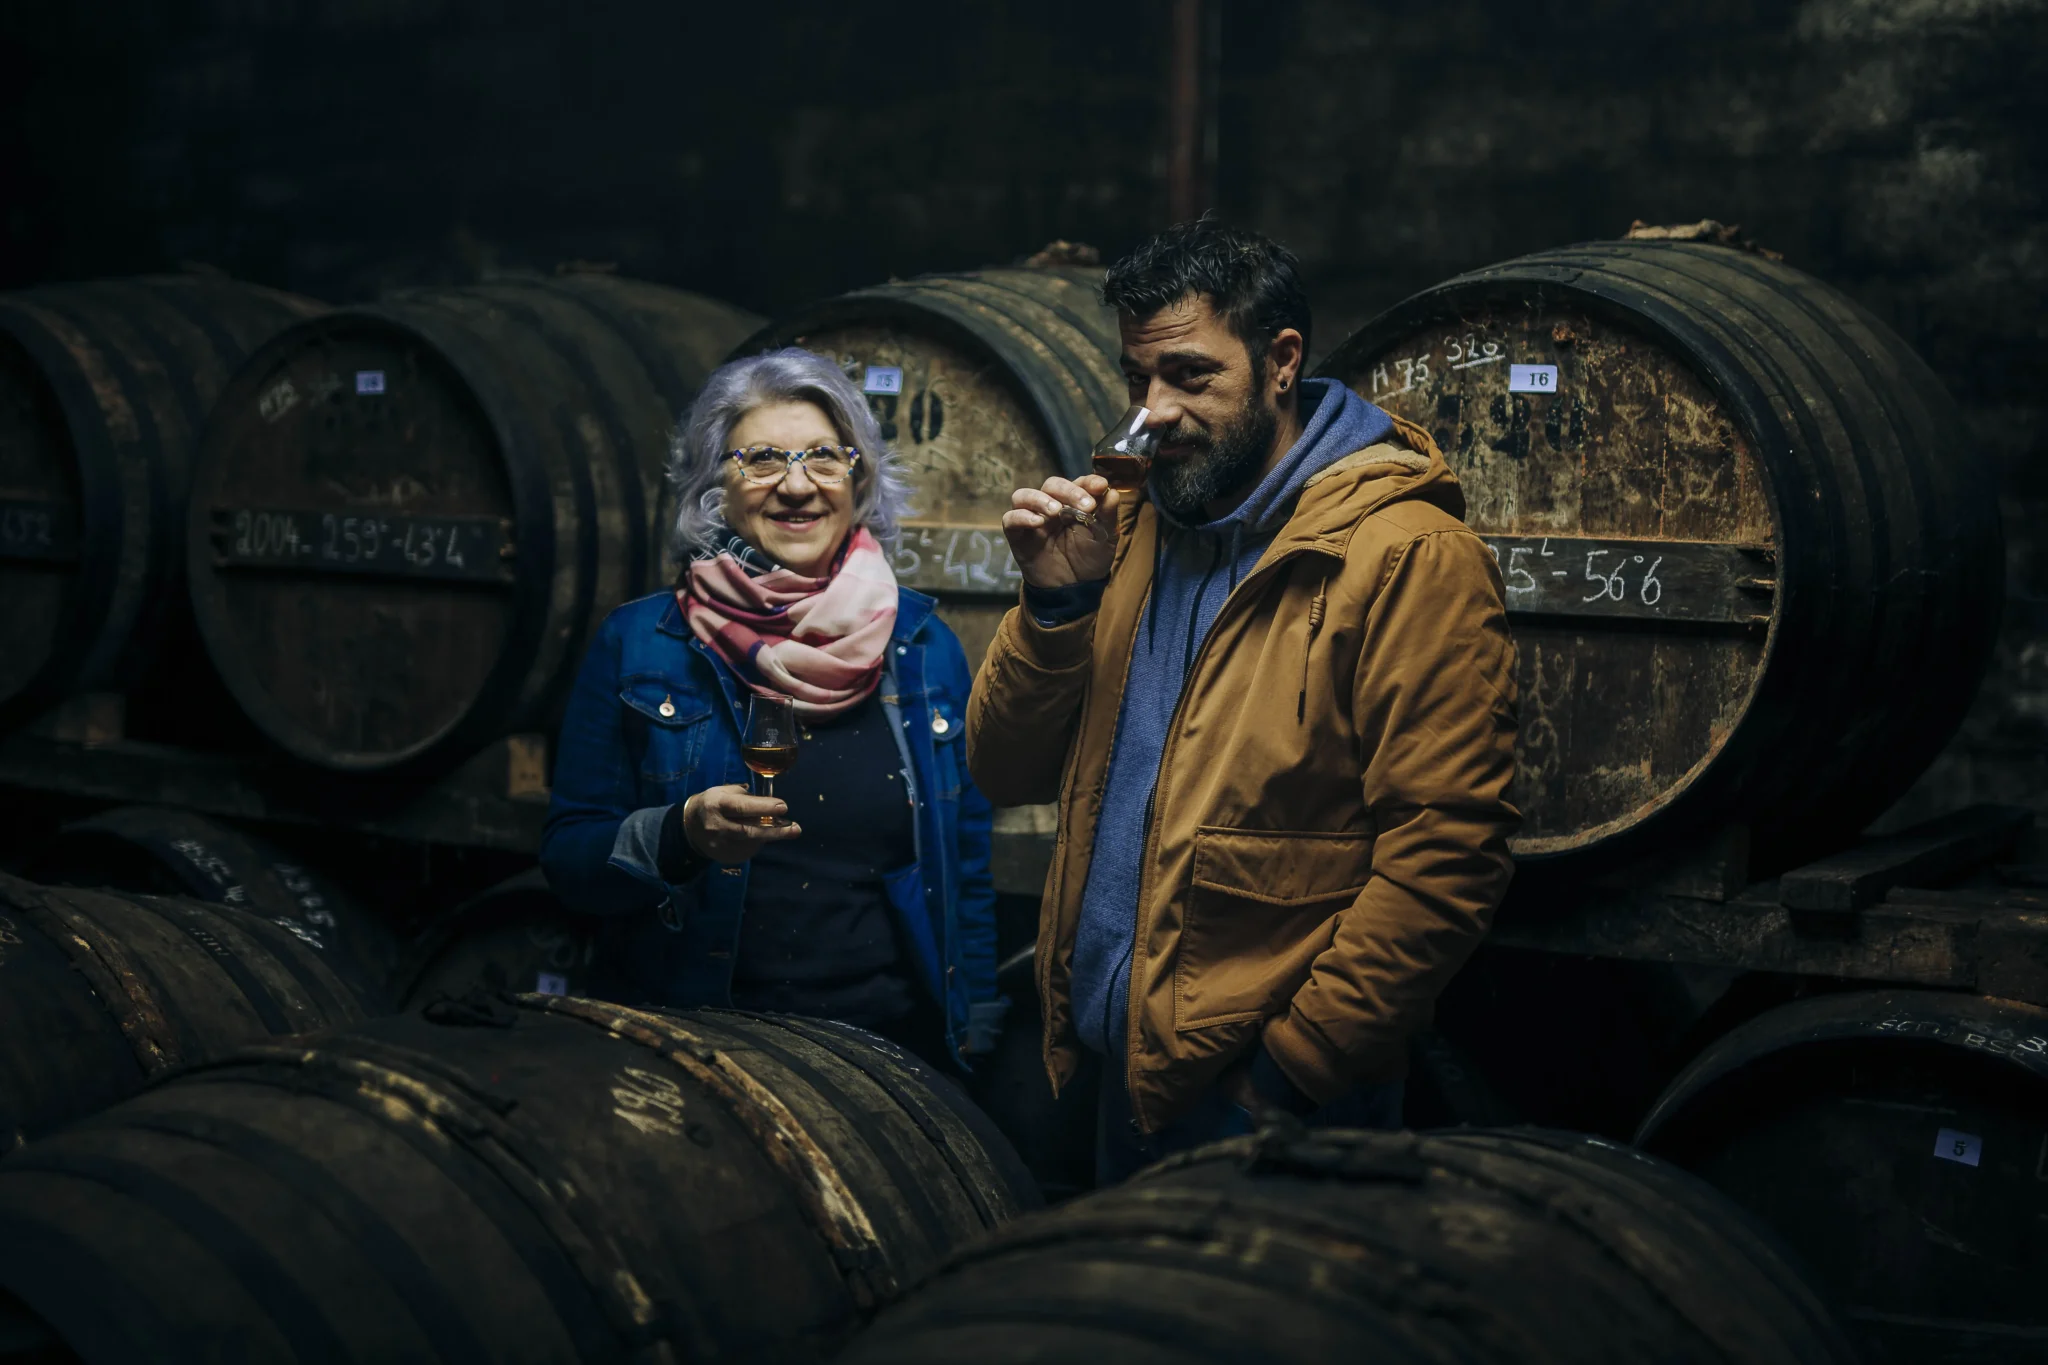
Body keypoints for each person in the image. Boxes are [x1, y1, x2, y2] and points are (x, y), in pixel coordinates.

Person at [966, 218, 1519, 1183]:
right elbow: (1001, 769)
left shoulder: (1405, 555)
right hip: (1118, 1069)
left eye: (1189, 375)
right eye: (1138, 379)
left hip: (1269, 1095)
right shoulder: (1128, 528)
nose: (1154, 411)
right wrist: (1057, 603)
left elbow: (1448, 849)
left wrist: (1291, 1070)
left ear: (1280, 362)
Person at [541, 348, 1005, 1070]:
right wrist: (678, 834)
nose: (796, 485)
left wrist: (975, 1027)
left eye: (823, 456)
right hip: (696, 1052)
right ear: (712, 488)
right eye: (761, 459)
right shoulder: (640, 644)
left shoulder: (922, 645)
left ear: (858, 479)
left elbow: (964, 865)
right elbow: (571, 859)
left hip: (891, 1055)